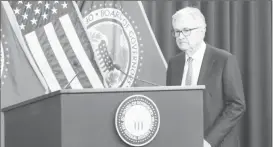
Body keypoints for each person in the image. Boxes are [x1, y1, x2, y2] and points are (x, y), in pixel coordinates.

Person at [166, 7, 246, 147]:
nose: (180, 36)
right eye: (177, 31)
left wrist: (209, 141)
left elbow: (236, 105)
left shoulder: (223, 60)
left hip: (216, 143)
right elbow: (172, 103)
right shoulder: (174, 63)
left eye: (186, 30)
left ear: (202, 30)